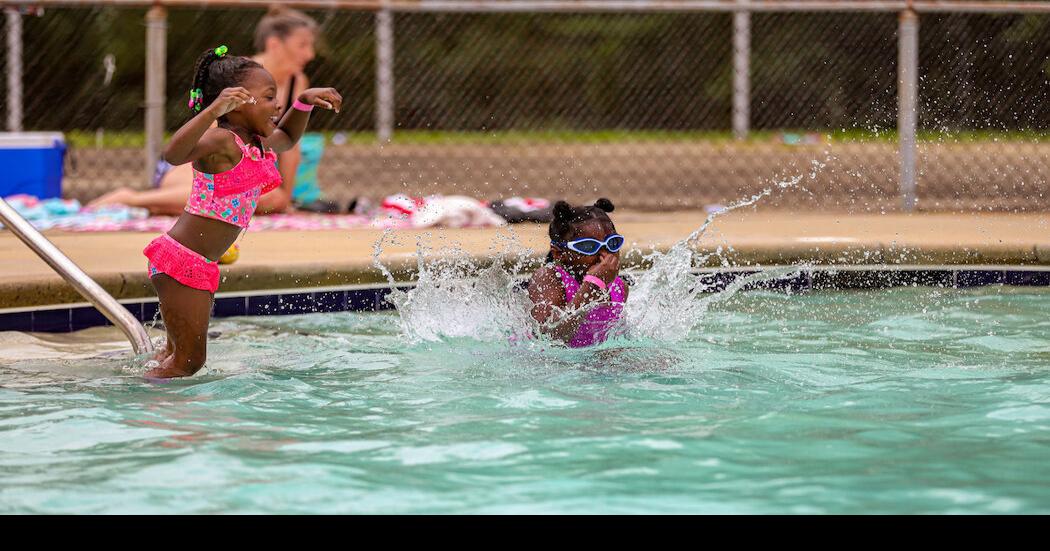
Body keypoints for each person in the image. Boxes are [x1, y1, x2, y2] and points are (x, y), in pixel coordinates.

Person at [144, 45, 341, 378]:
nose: (277, 104)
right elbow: (173, 154)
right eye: (268, 97)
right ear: (235, 103)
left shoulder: (256, 143)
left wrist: (304, 101)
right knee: (188, 362)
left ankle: (156, 392)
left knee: (175, 355)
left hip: (201, 263)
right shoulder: (222, 141)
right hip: (182, 262)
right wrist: (212, 111)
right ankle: (143, 400)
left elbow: (287, 137)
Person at [89, 7, 323, 215]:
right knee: (222, 194)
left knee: (273, 199)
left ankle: (158, 203)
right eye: (302, 45)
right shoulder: (241, 75)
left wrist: (285, 199)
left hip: (240, 171)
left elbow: (291, 146)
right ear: (274, 44)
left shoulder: (297, 81)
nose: (310, 54)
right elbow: (212, 136)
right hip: (200, 160)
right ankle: (132, 199)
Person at [527, 198, 629, 347]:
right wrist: (591, 287)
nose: (604, 254)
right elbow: (547, 337)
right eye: (589, 246)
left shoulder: (620, 287)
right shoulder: (549, 278)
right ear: (559, 253)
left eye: (612, 243)